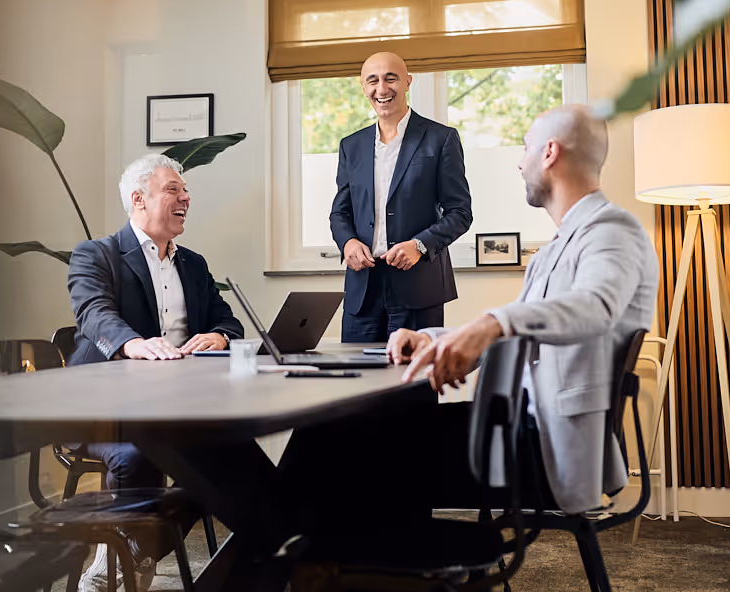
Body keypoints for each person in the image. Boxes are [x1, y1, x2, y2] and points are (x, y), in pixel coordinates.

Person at [281, 104, 659, 526]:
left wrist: (490, 324)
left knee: (348, 442)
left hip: (545, 445)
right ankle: (315, 562)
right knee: (332, 430)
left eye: (526, 148)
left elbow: (595, 308)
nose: (519, 161)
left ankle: (297, 561)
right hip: (518, 429)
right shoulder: (557, 247)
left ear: (550, 153)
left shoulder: (613, 230)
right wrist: (436, 339)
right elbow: (522, 327)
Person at [66, 153, 243, 592]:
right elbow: (92, 312)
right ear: (138, 199)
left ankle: (130, 557)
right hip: (101, 406)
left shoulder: (194, 265)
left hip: (175, 407)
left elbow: (229, 321)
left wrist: (219, 337)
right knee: (138, 453)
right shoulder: (96, 255)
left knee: (231, 461)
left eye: (185, 191)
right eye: (173, 190)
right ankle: (125, 559)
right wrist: (133, 343)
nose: (186, 197)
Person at [330, 51, 473, 342]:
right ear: (363, 86)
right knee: (358, 383)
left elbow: (460, 213)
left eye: (390, 78)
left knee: (413, 383)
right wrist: (347, 242)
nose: (381, 89)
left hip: (418, 286)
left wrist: (420, 245)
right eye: (373, 81)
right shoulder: (351, 146)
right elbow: (340, 212)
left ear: (408, 82)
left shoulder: (441, 139)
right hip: (363, 288)